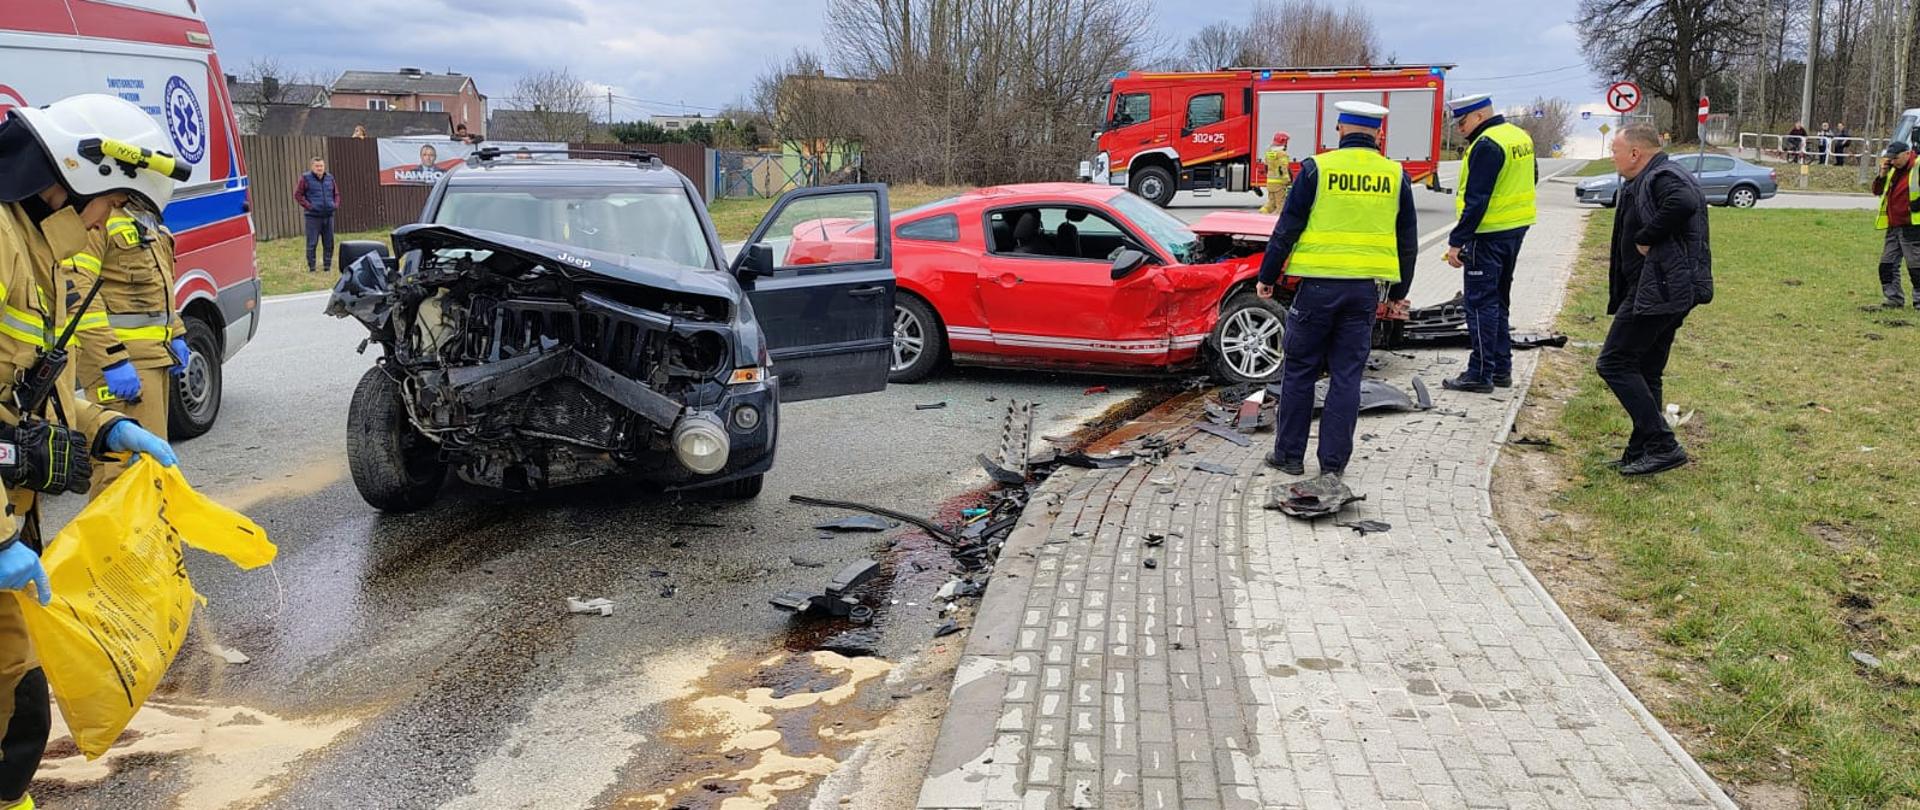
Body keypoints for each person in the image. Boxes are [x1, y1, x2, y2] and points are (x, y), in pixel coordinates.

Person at [0, 92, 182, 810]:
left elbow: (28, 392)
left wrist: (104, 426)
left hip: (15, 523)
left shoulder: (37, 250)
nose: (109, 219)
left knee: (20, 705)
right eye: (111, 201)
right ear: (69, 178)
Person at [1255, 101, 1416, 478]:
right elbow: (1407, 240)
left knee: (1299, 371)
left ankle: (1289, 456)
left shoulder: (1317, 169)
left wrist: (1268, 275)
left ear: (1340, 129)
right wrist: (1397, 294)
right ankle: (1333, 465)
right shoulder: (1396, 175)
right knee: (1347, 377)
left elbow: (1286, 228)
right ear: (1379, 134)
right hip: (1363, 294)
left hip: (1316, 291)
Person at [1598, 124, 1713, 476]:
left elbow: (1685, 202)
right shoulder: (1652, 175)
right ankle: (1642, 449)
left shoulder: (1663, 175)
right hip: (1662, 288)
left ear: (1636, 153)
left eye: (1615, 150)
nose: (1612, 157)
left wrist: (1646, 236)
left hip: (1660, 289)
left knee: (1614, 363)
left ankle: (1663, 445)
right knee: (1646, 369)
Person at [66, 199, 189, 492]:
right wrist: (113, 360)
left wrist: (177, 332)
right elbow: (78, 291)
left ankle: (149, 534)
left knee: (150, 464)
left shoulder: (144, 215)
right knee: (121, 470)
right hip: (122, 362)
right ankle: (115, 539)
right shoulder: (98, 215)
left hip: (153, 356)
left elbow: (157, 288)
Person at [1441, 93, 1537, 394]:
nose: (1460, 128)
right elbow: (1531, 177)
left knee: (1480, 305)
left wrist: (1457, 242)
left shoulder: (1486, 144)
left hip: (1488, 234)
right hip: (1515, 230)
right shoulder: (1518, 136)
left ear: (1480, 116)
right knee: (1498, 301)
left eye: (1463, 121)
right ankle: (1501, 370)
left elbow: (1477, 200)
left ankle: (1480, 373)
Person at [1872, 141, 1920, 308]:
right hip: (1894, 226)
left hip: (1913, 226)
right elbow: (1877, 191)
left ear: (1907, 153)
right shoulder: (1893, 170)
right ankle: (1893, 298)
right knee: (1887, 264)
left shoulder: (1918, 166)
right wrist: (1883, 173)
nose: (1892, 161)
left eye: (1895, 158)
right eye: (1890, 158)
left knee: (1916, 266)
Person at [292, 156, 338, 273]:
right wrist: (309, 207)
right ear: (312, 167)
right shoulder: (305, 178)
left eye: (321, 166)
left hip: (328, 215)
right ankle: (312, 267)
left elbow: (336, 193)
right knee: (312, 243)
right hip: (313, 217)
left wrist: (335, 205)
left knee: (329, 242)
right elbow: (298, 195)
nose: (319, 168)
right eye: (317, 166)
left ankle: (327, 266)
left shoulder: (330, 178)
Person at [1260, 131, 1293, 215]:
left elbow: (1267, 167)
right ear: (1284, 142)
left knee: (1271, 204)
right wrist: (1287, 180)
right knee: (1280, 205)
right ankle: (1277, 222)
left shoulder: (1270, 153)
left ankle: (1262, 214)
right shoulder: (1282, 154)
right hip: (1279, 184)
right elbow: (1283, 168)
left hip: (1270, 183)